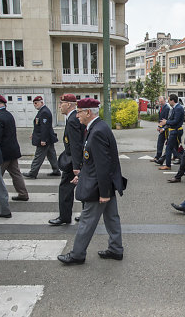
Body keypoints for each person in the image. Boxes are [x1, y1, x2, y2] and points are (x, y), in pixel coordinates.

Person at [57, 98, 127, 265]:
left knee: (87, 220)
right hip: (104, 183)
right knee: (111, 217)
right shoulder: (97, 128)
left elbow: (103, 165)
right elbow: (93, 161)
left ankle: (77, 254)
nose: (77, 116)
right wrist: (81, 175)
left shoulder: (97, 131)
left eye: (79, 112)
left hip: (99, 186)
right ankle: (116, 249)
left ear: (88, 112)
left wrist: (103, 193)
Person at [0, 94, 29, 203]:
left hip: (3, 152)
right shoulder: (7, 114)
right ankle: (23, 193)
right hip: (12, 150)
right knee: (16, 174)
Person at [49, 94, 85, 226]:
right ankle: (85, 214)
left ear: (68, 104)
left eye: (61, 103)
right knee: (82, 186)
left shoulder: (72, 120)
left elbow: (76, 144)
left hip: (73, 160)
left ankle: (65, 217)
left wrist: (76, 165)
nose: (59, 106)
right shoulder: (74, 118)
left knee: (65, 188)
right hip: (76, 158)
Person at [23, 96, 60, 179]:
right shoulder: (42, 111)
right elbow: (38, 126)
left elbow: (45, 127)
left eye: (36, 103)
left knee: (38, 156)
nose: (35, 105)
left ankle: (33, 172)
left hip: (44, 139)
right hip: (47, 138)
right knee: (51, 155)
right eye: (34, 103)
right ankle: (56, 170)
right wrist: (33, 133)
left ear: (42, 103)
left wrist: (43, 139)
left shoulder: (44, 112)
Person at [158, 94, 184, 170]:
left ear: (173, 100)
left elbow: (175, 121)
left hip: (175, 131)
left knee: (169, 148)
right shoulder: (175, 108)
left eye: (169, 100)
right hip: (174, 130)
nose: (168, 102)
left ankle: (168, 165)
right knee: (175, 148)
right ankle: (183, 159)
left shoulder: (178, 108)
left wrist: (166, 122)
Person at [152, 96, 170, 163]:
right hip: (162, 128)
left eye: (161, 101)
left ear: (164, 101)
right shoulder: (161, 107)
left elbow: (166, 119)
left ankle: (179, 156)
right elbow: (160, 119)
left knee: (170, 145)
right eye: (159, 102)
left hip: (166, 129)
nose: (160, 103)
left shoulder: (167, 108)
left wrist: (163, 128)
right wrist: (159, 126)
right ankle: (158, 157)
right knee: (160, 143)